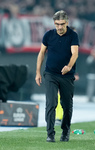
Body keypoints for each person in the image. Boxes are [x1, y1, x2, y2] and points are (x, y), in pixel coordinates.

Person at [35, 10, 79, 142]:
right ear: (54, 23)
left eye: (62, 24)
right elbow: (41, 53)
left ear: (67, 23)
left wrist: (69, 66)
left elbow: (75, 53)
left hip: (67, 76)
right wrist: (38, 72)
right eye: (57, 24)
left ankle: (65, 132)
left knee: (66, 105)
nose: (59, 27)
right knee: (51, 103)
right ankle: (50, 134)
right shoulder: (48, 35)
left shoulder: (73, 35)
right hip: (50, 74)